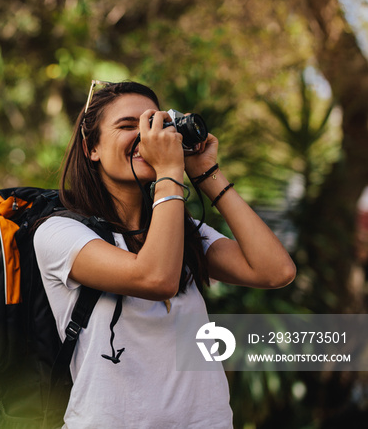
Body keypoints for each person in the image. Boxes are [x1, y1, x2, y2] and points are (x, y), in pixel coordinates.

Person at [34, 80, 296, 428]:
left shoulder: (182, 231)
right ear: (91, 148)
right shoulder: (60, 233)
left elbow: (275, 272)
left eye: (155, 124)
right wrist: (170, 172)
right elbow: (156, 278)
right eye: (129, 126)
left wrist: (207, 174)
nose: (147, 136)